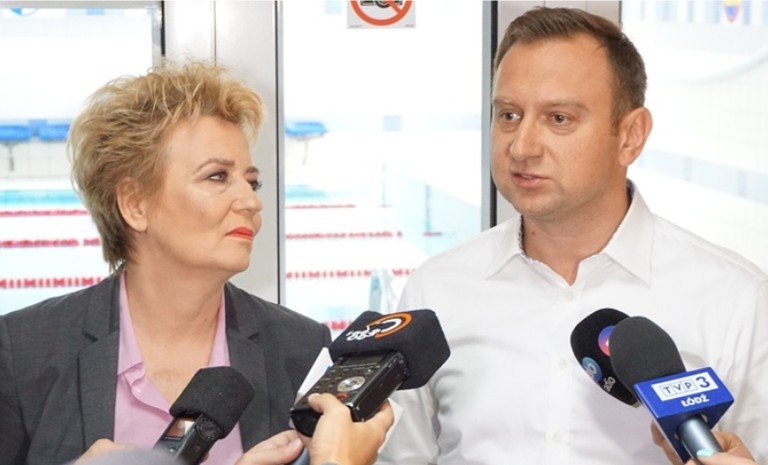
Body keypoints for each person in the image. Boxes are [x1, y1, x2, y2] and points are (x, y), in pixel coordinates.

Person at [376, 6, 768, 465]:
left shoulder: (736, 300)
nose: (522, 146)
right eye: (508, 115)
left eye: (558, 118)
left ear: (631, 135)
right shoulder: (435, 290)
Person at [0, 60, 392, 465]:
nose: (252, 202)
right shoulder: (24, 351)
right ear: (135, 204)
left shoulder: (300, 347)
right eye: (217, 176)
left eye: (252, 182)